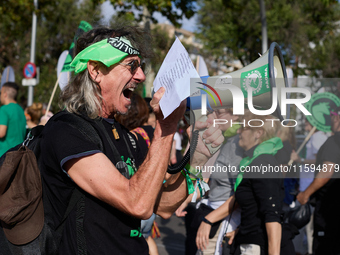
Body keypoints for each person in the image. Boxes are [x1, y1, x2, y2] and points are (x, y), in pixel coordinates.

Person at [37, 26, 223, 254]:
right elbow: (137, 203)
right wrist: (165, 128)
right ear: (95, 71)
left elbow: (163, 206)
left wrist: (197, 157)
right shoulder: (66, 129)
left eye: (141, 66)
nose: (141, 76)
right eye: (131, 65)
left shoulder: (126, 136)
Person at [196, 112, 291, 255]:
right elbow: (254, 206)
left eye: (244, 127)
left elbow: (272, 215)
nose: (239, 131)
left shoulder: (262, 163)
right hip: (248, 240)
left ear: (258, 132)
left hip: (256, 245)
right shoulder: (253, 161)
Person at [181, 109, 243, 255]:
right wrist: (185, 201)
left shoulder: (238, 144)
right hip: (211, 214)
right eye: (212, 111)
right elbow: (210, 180)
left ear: (235, 116)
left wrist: (209, 220)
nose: (213, 116)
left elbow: (242, 192)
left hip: (223, 223)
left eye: (219, 113)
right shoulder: (227, 140)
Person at [292, 107, 340, 255]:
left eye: (332, 116)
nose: (330, 119)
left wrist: (306, 193)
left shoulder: (333, 142)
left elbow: (327, 171)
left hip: (329, 209)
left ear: (337, 118)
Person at [116, 92, 158, 255]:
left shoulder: (130, 137)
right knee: (146, 239)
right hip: (151, 202)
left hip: (135, 202)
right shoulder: (152, 133)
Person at [290, 119, 328, 255]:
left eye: (308, 120)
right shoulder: (316, 137)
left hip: (310, 187)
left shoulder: (317, 137)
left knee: (307, 225)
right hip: (307, 186)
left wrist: (300, 160)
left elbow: (321, 162)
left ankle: (307, 251)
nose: (305, 122)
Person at [0, 82, 26, 157]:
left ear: (5, 94)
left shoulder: (4, 109)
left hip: (4, 155)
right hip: (18, 154)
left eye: (1, 93)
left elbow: (1, 132)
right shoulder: (20, 109)